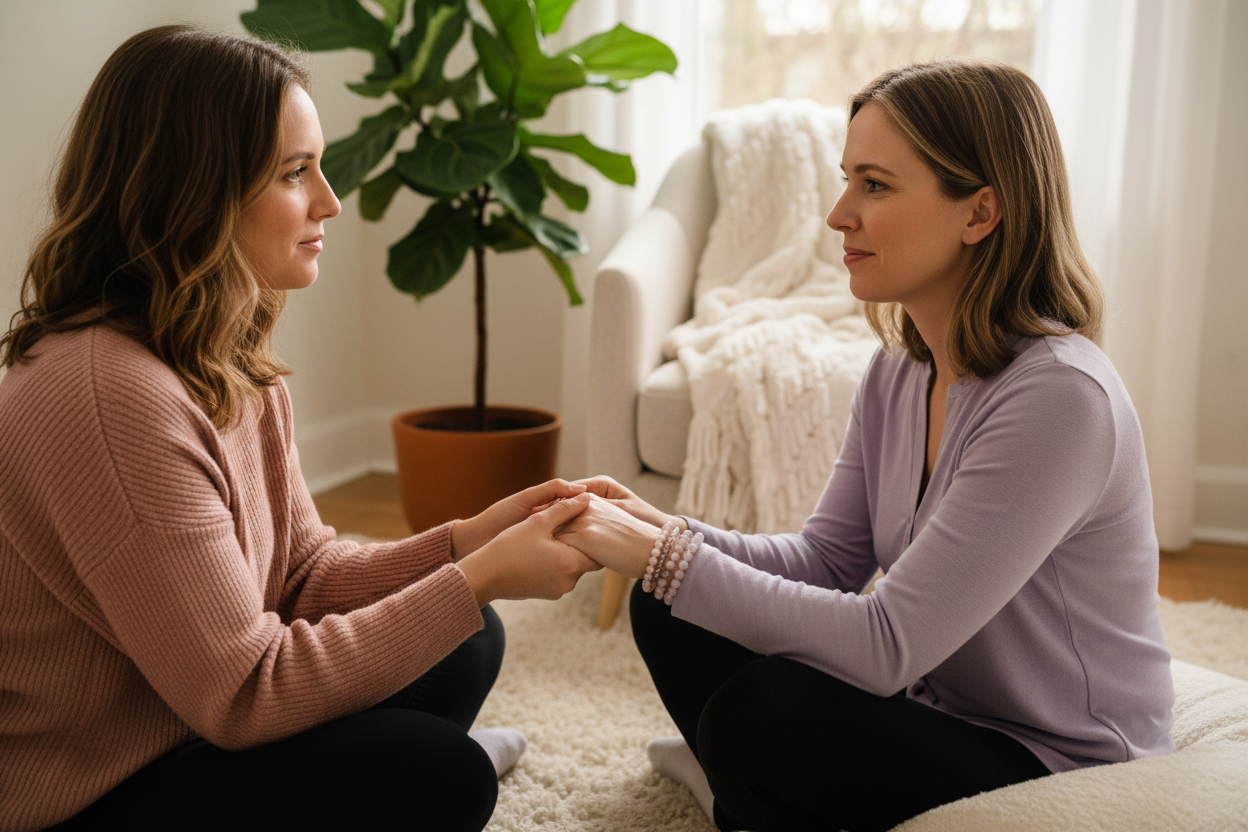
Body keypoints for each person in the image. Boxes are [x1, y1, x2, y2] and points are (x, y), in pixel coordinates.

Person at [0, 25, 600, 832]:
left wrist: (469, 542)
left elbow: (302, 576)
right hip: (94, 787)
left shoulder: (220, 352)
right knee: (439, 771)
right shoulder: (109, 395)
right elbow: (244, 692)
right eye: (294, 173)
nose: (330, 200)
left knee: (469, 637)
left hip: (189, 721)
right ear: (195, 193)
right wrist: (480, 575)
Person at [557, 57, 1175, 832]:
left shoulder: (1060, 398)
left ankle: (731, 791)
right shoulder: (899, 370)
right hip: (937, 705)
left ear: (980, 212)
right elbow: (826, 561)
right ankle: (739, 796)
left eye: (874, 185)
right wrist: (660, 533)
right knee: (667, 603)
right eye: (847, 179)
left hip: (1058, 757)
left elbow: (887, 645)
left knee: (757, 714)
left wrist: (668, 557)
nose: (838, 214)